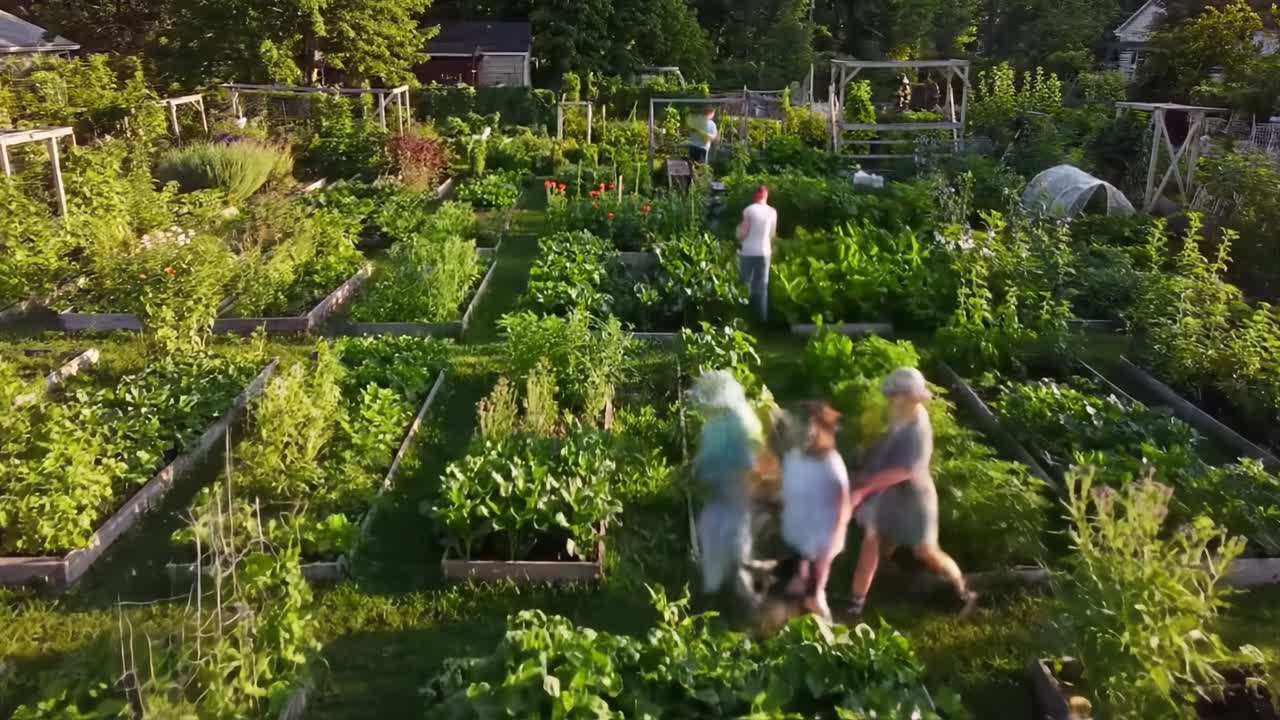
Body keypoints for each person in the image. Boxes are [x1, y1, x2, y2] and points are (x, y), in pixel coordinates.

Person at [847, 367, 978, 618]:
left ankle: (962, 592)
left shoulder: (918, 428)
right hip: (887, 493)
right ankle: (856, 602)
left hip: (914, 498)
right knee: (872, 542)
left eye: (898, 394)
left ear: (910, 396)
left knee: (925, 551)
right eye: (892, 394)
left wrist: (864, 487)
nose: (892, 399)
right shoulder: (896, 415)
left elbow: (905, 470)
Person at [778, 400, 850, 622]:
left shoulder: (830, 463)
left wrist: (830, 543)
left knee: (813, 594)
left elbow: (842, 505)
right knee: (795, 587)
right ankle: (793, 632)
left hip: (821, 538)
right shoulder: (794, 456)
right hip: (799, 535)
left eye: (811, 426)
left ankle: (828, 635)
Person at [735, 185, 777, 324]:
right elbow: (772, 235)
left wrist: (737, 231)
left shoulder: (749, 210)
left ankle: (743, 318)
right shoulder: (772, 212)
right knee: (762, 286)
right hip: (765, 252)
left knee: (744, 284)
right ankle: (761, 320)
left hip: (748, 252)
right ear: (766, 197)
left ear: (755, 196)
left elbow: (743, 234)